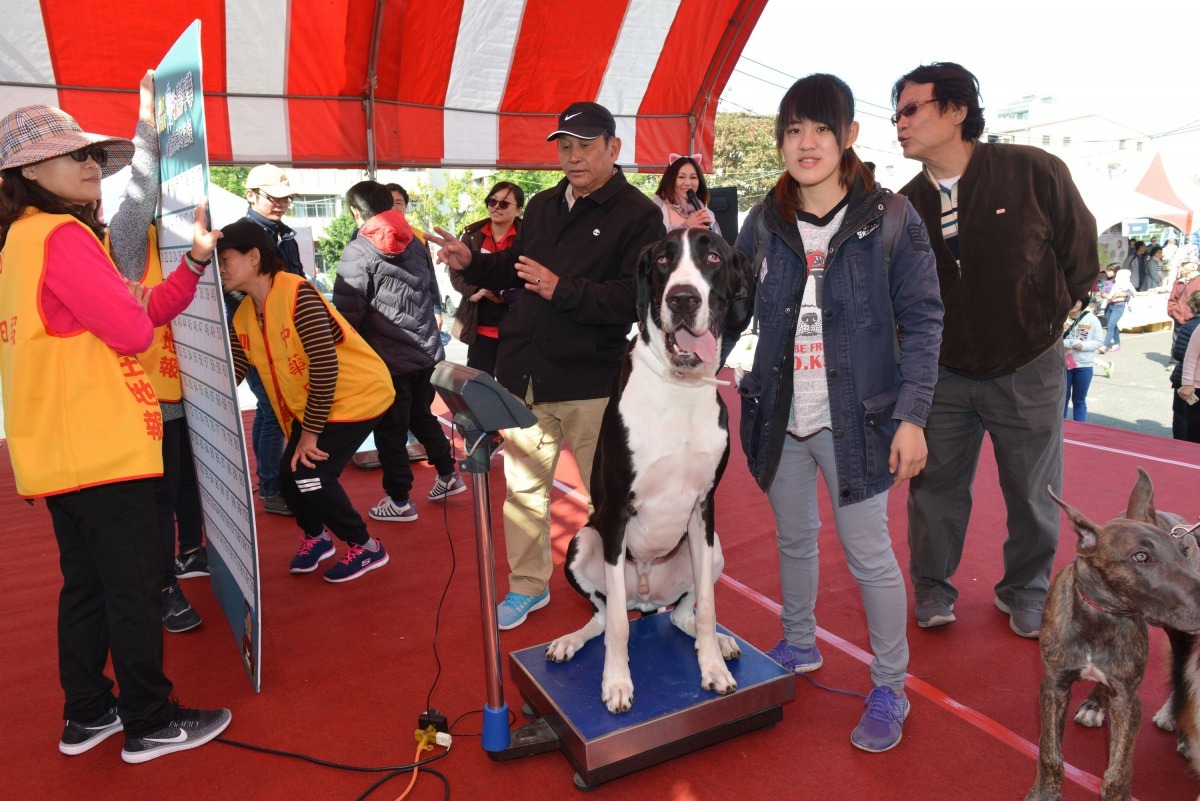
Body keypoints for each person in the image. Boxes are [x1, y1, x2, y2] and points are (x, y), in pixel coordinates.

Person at [0, 101, 231, 762]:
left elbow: (141, 308)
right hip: (101, 450)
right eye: (78, 155)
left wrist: (191, 264)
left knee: (89, 588)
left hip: (62, 455)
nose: (93, 167)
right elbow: (133, 330)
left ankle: (88, 712)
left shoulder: (20, 241)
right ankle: (150, 720)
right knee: (131, 589)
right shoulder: (61, 236)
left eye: (95, 156)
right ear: (30, 166)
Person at [735, 74, 942, 753]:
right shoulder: (764, 219)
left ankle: (890, 684)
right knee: (793, 539)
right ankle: (799, 642)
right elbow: (731, 302)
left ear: (849, 135)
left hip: (860, 419)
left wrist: (912, 415)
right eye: (793, 130)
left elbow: (923, 317)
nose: (806, 143)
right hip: (780, 413)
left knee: (870, 556)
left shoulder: (889, 216)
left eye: (821, 128)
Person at [427, 101, 664, 630]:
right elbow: (516, 269)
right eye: (565, 147)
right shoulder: (543, 204)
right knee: (524, 494)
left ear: (613, 148)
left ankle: (628, 585)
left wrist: (564, 290)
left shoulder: (638, 214)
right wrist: (474, 264)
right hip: (525, 375)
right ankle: (527, 588)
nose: (573, 157)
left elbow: (634, 300)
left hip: (588, 381)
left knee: (610, 493)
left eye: (584, 146)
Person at [892, 62, 1099, 639]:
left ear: (956, 110)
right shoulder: (903, 206)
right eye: (897, 113)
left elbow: (1081, 256)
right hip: (943, 376)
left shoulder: (1034, 171)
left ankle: (1025, 590)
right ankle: (933, 589)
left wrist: (1045, 323)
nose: (900, 123)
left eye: (912, 109)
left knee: (1033, 494)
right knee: (933, 492)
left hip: (1029, 366)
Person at [218, 219, 396, 582]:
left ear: (253, 257)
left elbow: (325, 366)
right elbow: (231, 373)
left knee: (311, 474)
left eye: (224, 259)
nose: (218, 269)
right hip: (319, 404)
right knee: (287, 477)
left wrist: (310, 433)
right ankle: (317, 537)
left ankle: (365, 545)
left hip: (357, 396)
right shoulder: (244, 314)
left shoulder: (298, 294)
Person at [105, 73, 207, 633]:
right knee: (155, 503)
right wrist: (149, 117)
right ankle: (163, 584)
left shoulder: (169, 236)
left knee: (181, 486)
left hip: (182, 390)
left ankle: (187, 557)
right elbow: (141, 187)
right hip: (142, 400)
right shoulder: (123, 240)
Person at [331, 180, 466, 523]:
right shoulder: (415, 241)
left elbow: (348, 315)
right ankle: (449, 475)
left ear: (355, 212)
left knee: (390, 430)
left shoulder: (358, 250)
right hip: (425, 352)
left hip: (387, 359)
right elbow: (428, 292)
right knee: (421, 416)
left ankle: (400, 500)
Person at [239, 164, 304, 515]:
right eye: (273, 197)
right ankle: (271, 487)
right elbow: (234, 290)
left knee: (269, 411)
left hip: (282, 334)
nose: (281, 203)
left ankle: (270, 484)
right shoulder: (243, 236)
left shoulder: (282, 233)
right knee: (270, 409)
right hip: (258, 335)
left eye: (286, 197)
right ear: (251, 195)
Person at [449, 181, 525, 374]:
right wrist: (477, 291)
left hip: (518, 327)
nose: (496, 207)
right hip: (480, 325)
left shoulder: (529, 237)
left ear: (519, 210)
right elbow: (456, 273)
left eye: (505, 204)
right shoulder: (472, 235)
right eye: (492, 201)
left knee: (514, 391)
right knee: (479, 388)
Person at [652, 153, 720, 234]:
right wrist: (685, 227)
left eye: (693, 177)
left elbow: (719, 243)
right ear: (670, 179)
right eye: (681, 177)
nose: (688, 183)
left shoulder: (704, 210)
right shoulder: (659, 205)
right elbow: (653, 239)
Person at [1061, 300, 1106, 421]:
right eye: (1071, 300)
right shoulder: (1060, 317)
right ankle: (1062, 429)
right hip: (1063, 365)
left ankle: (1079, 429)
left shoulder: (1092, 319)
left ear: (1083, 302)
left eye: (1078, 301)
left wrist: (1083, 346)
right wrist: (1061, 345)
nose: (1074, 304)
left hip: (1084, 366)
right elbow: (1051, 339)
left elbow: (1099, 341)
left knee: (1079, 400)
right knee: (1062, 399)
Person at [1172, 290, 1200, 441]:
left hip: (1188, 381)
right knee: (1190, 427)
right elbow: (1188, 356)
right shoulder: (1195, 328)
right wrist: (1188, 383)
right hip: (1193, 385)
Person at [1101, 267, 1136, 351]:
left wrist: (1119, 294)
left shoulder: (1125, 283)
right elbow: (1103, 293)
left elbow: (1130, 293)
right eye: (1108, 270)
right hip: (1109, 305)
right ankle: (1117, 343)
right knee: (1113, 325)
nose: (1108, 272)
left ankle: (1105, 345)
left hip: (1119, 306)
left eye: (1110, 270)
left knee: (1110, 325)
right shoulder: (1108, 282)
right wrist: (1109, 298)